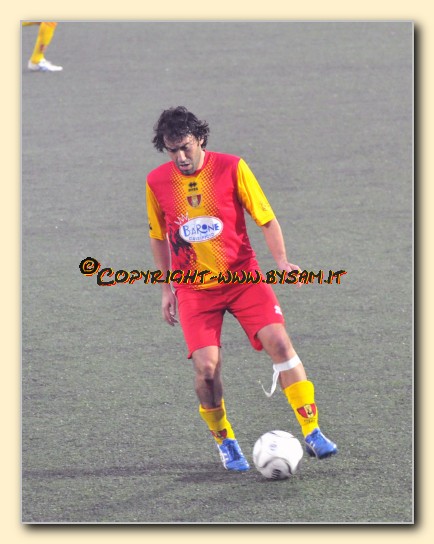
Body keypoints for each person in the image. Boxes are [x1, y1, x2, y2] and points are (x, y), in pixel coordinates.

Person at [146, 106, 337, 471]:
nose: (180, 157)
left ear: (200, 139)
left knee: (279, 342)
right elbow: (158, 237)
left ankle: (312, 430)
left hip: (242, 278)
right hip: (194, 289)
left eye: (185, 147)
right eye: (172, 150)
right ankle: (226, 442)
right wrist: (166, 288)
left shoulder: (232, 167)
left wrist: (282, 262)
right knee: (206, 369)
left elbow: (265, 218)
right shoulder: (156, 182)